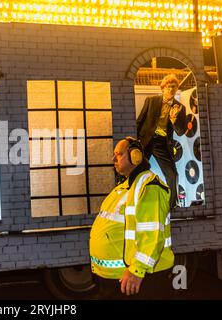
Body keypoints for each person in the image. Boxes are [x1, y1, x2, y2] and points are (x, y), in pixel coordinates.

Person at [90, 137, 174, 298]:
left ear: (135, 156)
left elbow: (152, 234)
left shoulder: (149, 186)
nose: (113, 159)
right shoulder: (123, 188)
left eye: (119, 154)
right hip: (116, 277)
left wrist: (137, 270)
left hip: (139, 277)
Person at [136, 74, 186, 209]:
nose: (171, 89)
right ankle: (133, 198)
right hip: (146, 140)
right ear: (163, 88)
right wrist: (135, 142)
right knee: (136, 169)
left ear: (177, 89)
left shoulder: (180, 107)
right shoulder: (151, 101)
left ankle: (171, 204)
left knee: (172, 174)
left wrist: (174, 120)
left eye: (173, 87)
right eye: (168, 86)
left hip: (162, 143)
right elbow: (140, 121)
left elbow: (181, 131)